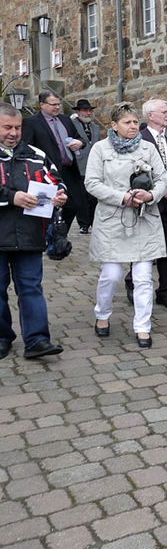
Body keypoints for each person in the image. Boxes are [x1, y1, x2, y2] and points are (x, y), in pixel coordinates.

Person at [84, 103, 167, 349]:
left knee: (143, 278)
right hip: (113, 220)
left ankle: (143, 327)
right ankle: (102, 313)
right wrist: (122, 197)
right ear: (114, 126)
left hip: (143, 219)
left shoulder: (148, 148)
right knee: (111, 275)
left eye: (135, 122)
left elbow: (162, 178)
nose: (133, 126)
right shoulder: (100, 149)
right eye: (127, 122)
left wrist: (150, 196)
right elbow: (92, 183)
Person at [0, 103, 68, 360]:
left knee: (31, 288)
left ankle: (38, 340)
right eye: (7, 127)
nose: (13, 133)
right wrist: (11, 197)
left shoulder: (36, 154)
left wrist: (60, 195)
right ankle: (2, 337)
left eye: (17, 127)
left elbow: (55, 180)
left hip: (29, 234)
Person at [127, 99, 167, 310]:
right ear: (150, 115)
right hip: (148, 205)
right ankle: (132, 283)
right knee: (142, 248)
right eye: (165, 111)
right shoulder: (137, 140)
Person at [21, 90, 87, 234]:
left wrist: (79, 143)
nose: (57, 107)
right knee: (49, 206)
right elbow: (26, 147)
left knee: (74, 204)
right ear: (42, 105)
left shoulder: (65, 120)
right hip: (48, 172)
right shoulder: (31, 122)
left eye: (59, 104)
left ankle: (60, 233)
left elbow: (80, 138)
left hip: (70, 170)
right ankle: (50, 236)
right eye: (53, 105)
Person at [70, 98, 101, 233]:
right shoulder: (72, 125)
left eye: (89, 111)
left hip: (94, 166)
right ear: (78, 112)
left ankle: (94, 222)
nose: (88, 113)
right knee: (81, 197)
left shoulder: (95, 128)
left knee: (93, 197)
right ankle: (84, 224)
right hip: (78, 165)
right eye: (84, 110)